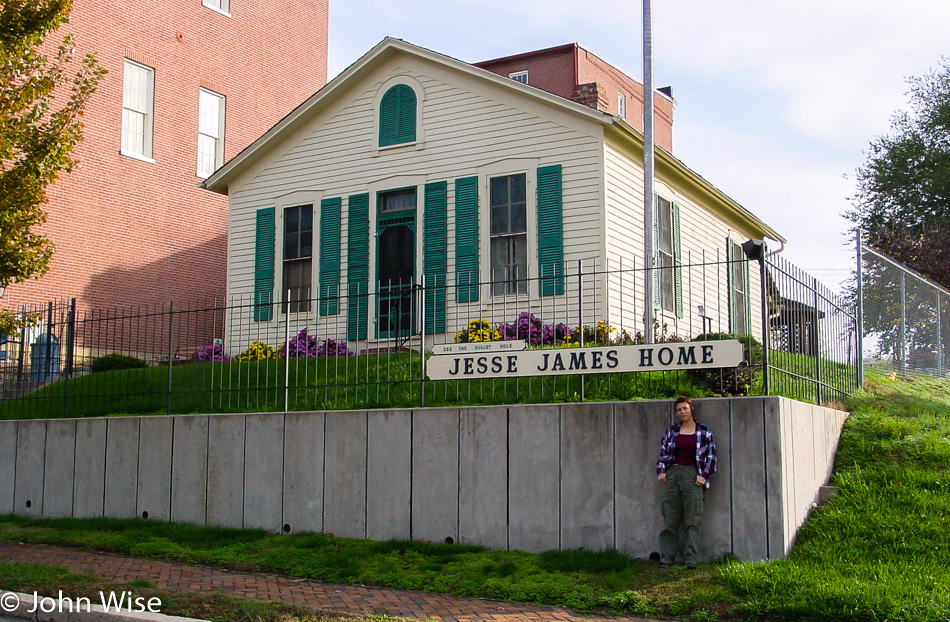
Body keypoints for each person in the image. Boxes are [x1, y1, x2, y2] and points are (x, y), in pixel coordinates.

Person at [655, 396, 717, 569]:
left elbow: (712, 457)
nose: (682, 412)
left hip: (693, 476)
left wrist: (704, 476)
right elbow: (663, 452)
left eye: (685, 408)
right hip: (673, 474)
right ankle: (667, 559)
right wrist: (661, 471)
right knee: (670, 519)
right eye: (679, 410)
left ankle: (690, 560)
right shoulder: (672, 431)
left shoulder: (704, 431)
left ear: (691, 409)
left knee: (693, 520)